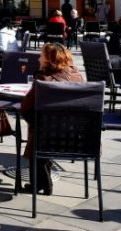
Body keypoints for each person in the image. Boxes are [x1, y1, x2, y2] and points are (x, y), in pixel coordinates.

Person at [20, 42, 84, 195]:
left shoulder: (43, 79)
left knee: (37, 129)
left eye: (41, 55)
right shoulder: (77, 75)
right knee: (41, 126)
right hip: (76, 135)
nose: (38, 58)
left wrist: (34, 122)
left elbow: (25, 108)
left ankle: (42, 183)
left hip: (48, 134)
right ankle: (40, 183)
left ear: (50, 60)